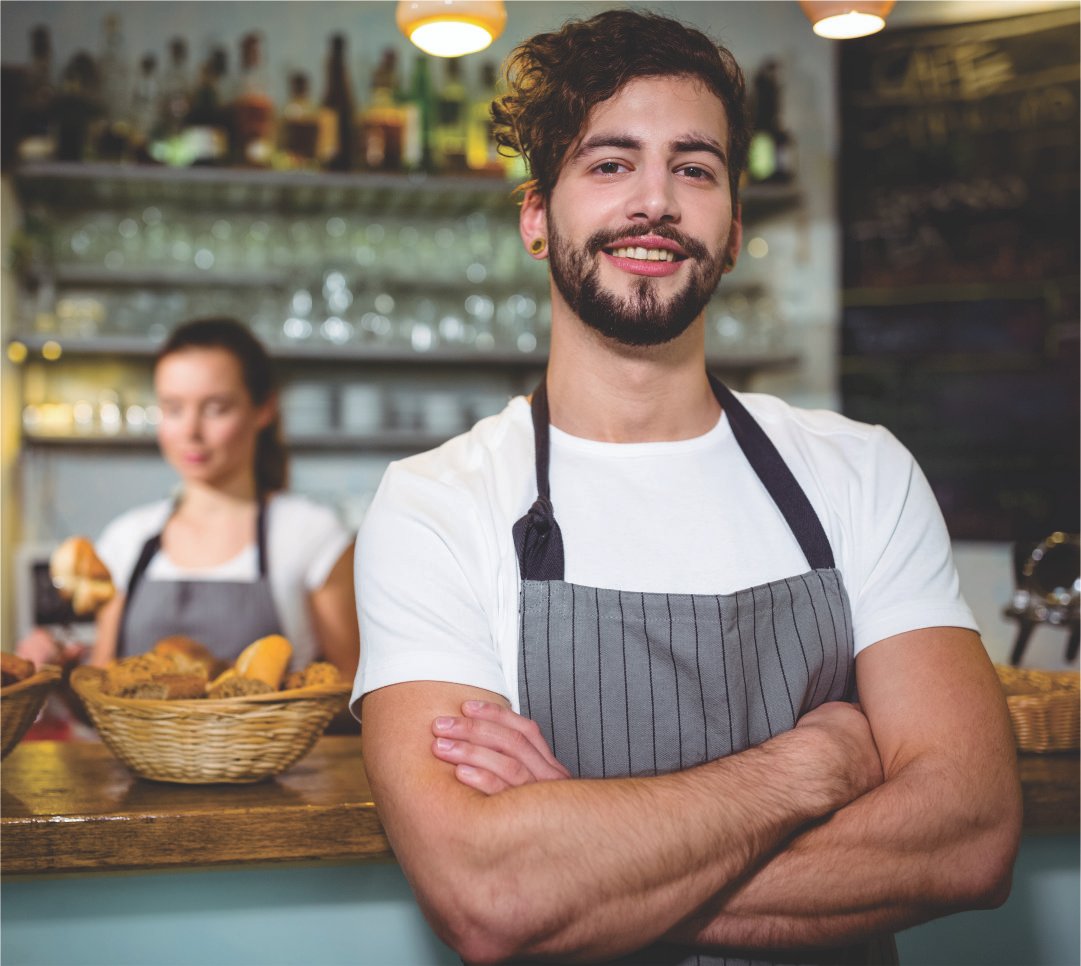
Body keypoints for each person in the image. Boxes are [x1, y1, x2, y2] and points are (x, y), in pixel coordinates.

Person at [354, 10, 1021, 965]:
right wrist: (809, 766)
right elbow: (491, 895)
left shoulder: (861, 471)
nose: (655, 203)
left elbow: (968, 837)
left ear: (736, 226)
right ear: (537, 215)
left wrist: (583, 861)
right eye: (610, 163)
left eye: (695, 168)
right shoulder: (435, 505)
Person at [20, 317, 359, 680]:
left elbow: (350, 687)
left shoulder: (311, 535)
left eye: (216, 408)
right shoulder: (128, 538)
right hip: (142, 740)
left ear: (263, 409)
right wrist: (56, 671)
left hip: (270, 739)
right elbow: (104, 688)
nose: (191, 431)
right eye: (173, 408)